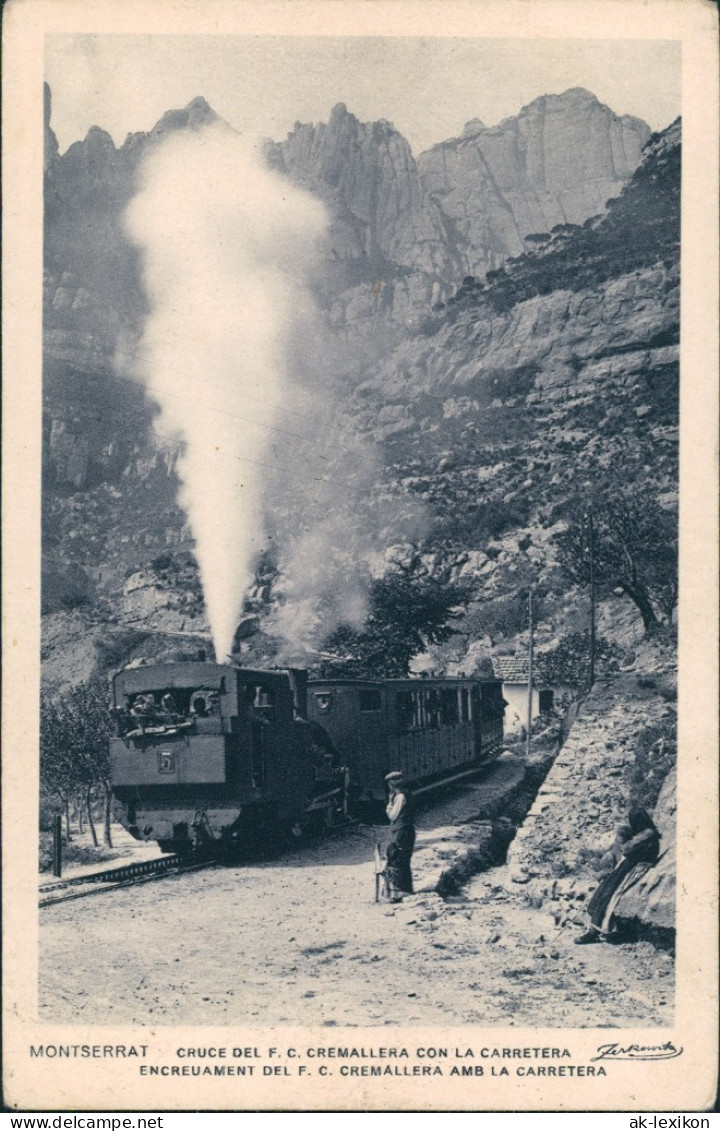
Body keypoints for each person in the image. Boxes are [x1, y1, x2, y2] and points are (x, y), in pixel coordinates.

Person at [575, 806, 661, 944]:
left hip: (634, 867)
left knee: (609, 893)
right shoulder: (646, 833)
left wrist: (626, 841)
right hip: (630, 864)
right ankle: (594, 929)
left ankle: (594, 932)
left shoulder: (647, 833)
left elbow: (627, 849)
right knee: (605, 889)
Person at [384, 771, 416, 901]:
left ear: (392, 784)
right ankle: (406, 890)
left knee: (397, 859)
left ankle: (398, 893)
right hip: (406, 830)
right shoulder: (405, 793)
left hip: (401, 831)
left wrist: (389, 806)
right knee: (403, 860)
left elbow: (392, 815)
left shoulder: (399, 797)